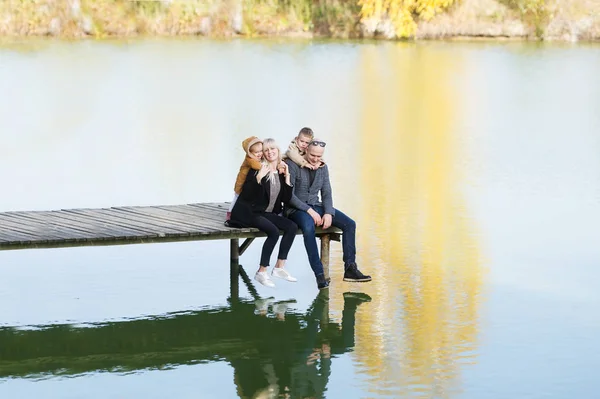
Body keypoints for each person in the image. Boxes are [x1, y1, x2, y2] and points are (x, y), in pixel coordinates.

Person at [285, 137, 372, 289]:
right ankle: (319, 274)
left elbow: (326, 193)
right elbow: (289, 196)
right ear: (306, 150)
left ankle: (350, 268)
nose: (315, 159)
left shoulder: (323, 168)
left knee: (350, 224)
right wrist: (310, 211)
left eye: (319, 156)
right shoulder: (293, 165)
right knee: (308, 228)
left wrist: (328, 213)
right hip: (296, 209)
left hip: (317, 206)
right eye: (313, 155)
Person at [230, 138, 299, 288]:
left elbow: (286, 199)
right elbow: (247, 195)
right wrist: (259, 178)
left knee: (292, 227)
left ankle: (280, 267)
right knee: (273, 232)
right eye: (266, 150)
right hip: (251, 212)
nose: (269, 152)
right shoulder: (258, 169)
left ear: (278, 151)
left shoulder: (280, 172)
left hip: (268, 213)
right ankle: (262, 271)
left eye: (272, 149)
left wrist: (287, 177)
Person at [226, 136, 264, 222]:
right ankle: (230, 213)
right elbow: (257, 166)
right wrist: (267, 167)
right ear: (250, 153)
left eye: (261, 151)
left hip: (247, 183)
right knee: (237, 197)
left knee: (240, 198)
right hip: (241, 183)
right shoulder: (250, 159)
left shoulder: (256, 158)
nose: (260, 154)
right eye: (256, 152)